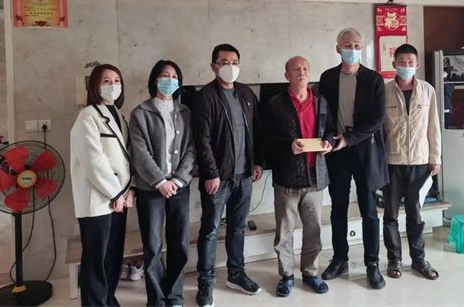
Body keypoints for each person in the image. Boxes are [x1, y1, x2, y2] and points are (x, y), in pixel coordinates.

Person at [193, 44, 264, 307]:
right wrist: (211, 173)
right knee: (210, 229)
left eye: (234, 62)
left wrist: (258, 162)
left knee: (238, 227)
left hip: (244, 175)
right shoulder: (205, 97)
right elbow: (202, 140)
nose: (230, 67)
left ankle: (236, 274)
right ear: (213, 67)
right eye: (224, 62)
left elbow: (257, 130)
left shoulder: (246, 93)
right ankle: (205, 282)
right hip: (218, 178)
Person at [318, 28, 389, 289]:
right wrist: (329, 138)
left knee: (369, 210)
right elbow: (323, 114)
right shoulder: (327, 78)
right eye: (347, 45)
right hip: (337, 152)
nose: (352, 49)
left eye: (357, 45)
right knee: (338, 208)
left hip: (365, 151)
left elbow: (378, 118)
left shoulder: (374, 79)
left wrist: (350, 138)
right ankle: (340, 259)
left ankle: (372, 264)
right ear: (338, 49)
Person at [266, 56, 335, 298]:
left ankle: (310, 273)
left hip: (316, 178)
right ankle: (286, 276)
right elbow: (265, 139)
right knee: (284, 232)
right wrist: (288, 146)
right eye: (296, 69)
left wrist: (329, 142)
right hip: (287, 179)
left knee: (313, 231)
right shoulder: (275, 104)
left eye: (305, 68)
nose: (302, 72)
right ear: (287, 75)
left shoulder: (321, 101)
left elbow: (330, 130)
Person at [129, 60, 196, 307]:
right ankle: (156, 299)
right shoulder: (140, 113)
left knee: (179, 243)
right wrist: (159, 181)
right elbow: (139, 152)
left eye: (175, 76)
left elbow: (191, 149)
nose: (170, 80)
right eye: (165, 75)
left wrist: (177, 179)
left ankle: (175, 296)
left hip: (180, 187)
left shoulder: (185, 112)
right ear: (155, 80)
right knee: (153, 245)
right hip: (151, 189)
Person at [70, 64, 134, 307]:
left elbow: (126, 158)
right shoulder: (87, 116)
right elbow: (93, 160)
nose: (113, 85)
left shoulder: (120, 117)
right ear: (95, 86)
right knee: (96, 258)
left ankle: (107, 299)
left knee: (113, 256)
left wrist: (128, 192)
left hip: (120, 198)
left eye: (117, 80)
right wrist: (116, 194)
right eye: (106, 81)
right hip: (98, 200)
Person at [382, 44, 441, 280]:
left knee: (415, 215)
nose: (406, 66)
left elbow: (433, 126)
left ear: (417, 65)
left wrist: (435, 158)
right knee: (390, 215)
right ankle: (394, 259)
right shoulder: (384, 91)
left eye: (410, 62)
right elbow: (380, 129)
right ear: (394, 64)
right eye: (402, 62)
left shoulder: (427, 91)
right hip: (391, 162)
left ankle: (419, 259)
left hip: (420, 161)